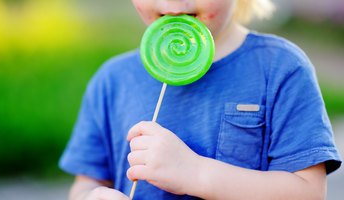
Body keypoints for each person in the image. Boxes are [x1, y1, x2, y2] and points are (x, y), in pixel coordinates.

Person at [59, 0, 342, 199]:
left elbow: (307, 192)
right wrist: (93, 196)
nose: (172, 3)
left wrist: (196, 173)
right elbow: (87, 182)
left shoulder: (280, 68)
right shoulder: (112, 79)